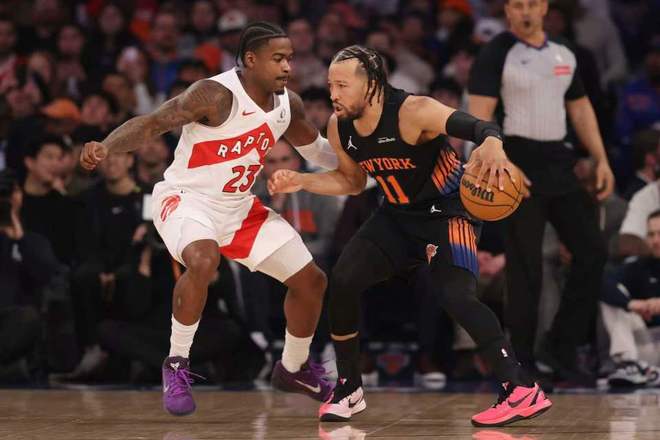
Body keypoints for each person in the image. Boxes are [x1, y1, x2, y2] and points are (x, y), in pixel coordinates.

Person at [268, 45, 550, 427]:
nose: (333, 94)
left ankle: (520, 388)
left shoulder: (414, 111)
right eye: (331, 85)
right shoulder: (340, 125)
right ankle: (349, 388)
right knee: (344, 280)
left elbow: (481, 127)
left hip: (448, 212)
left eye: (342, 85)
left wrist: (494, 145)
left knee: (455, 295)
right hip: (397, 216)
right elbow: (352, 182)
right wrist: (303, 181)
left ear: (371, 84)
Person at [80, 22, 339, 416]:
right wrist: (105, 145)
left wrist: (364, 162)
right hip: (187, 200)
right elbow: (152, 123)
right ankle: (176, 364)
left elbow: (317, 151)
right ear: (251, 59)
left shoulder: (289, 104)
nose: (287, 66)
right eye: (278, 58)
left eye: (289, 58)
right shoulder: (215, 95)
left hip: (238, 206)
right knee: (203, 260)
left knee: (312, 281)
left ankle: (293, 368)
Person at [467, 0, 613, 385]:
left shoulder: (564, 52)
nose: (525, 12)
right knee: (525, 267)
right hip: (513, 157)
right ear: (507, 10)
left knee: (593, 252)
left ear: (545, 7)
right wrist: (501, 159)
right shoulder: (496, 51)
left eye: (532, 4)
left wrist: (601, 159)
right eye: (517, 5)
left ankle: (560, 348)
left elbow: (580, 110)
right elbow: (478, 114)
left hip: (558, 161)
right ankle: (522, 363)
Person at [601, 210, 660, 387]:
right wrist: (631, 304)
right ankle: (629, 364)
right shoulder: (639, 265)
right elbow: (602, 284)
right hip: (646, 344)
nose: (656, 240)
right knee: (613, 298)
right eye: (651, 234)